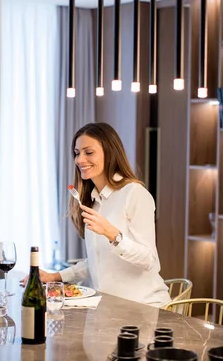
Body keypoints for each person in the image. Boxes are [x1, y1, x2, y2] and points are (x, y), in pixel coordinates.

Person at [24, 122, 171, 307]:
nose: (79, 160)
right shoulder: (94, 201)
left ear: (109, 152)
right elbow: (98, 259)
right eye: (77, 153)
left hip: (144, 308)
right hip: (109, 307)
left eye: (89, 152)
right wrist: (55, 276)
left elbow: (150, 261)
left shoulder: (134, 193)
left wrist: (112, 234)